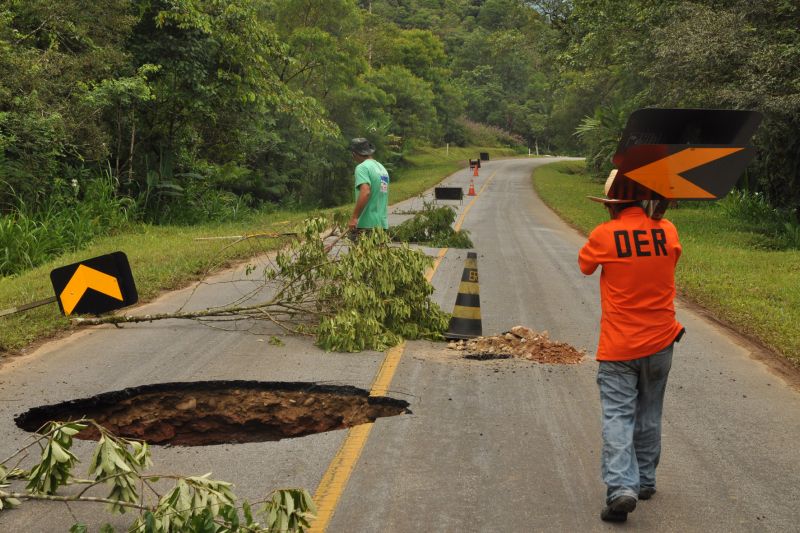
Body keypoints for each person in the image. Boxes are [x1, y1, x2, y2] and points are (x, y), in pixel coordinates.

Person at [578, 170, 685, 523]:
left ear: (614, 205)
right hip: (661, 342)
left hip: (620, 347)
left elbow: (585, 266)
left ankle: (622, 486)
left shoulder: (605, 234)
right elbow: (672, 258)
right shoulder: (667, 231)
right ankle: (646, 481)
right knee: (650, 410)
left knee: (618, 415)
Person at [348, 137, 389, 237]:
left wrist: (354, 217)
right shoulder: (382, 169)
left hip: (366, 226)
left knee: (359, 253)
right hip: (381, 225)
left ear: (354, 153)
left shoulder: (362, 167)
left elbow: (365, 191)